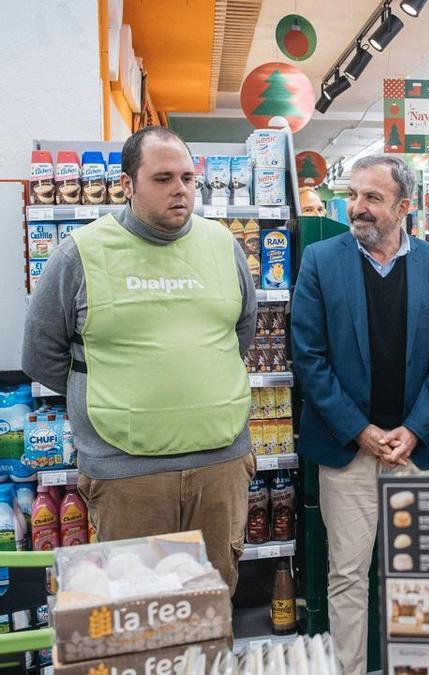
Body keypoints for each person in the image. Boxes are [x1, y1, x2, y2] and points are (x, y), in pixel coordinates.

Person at [22, 126, 257, 591]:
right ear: (127, 185)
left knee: (211, 604)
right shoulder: (80, 254)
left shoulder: (223, 245)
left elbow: (240, 333)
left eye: (188, 178)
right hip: (128, 472)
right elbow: (41, 354)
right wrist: (114, 389)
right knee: (141, 614)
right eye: (163, 178)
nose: (180, 190)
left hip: (220, 462)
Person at [291, 154, 429, 674]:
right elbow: (309, 358)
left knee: (416, 576)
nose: (357, 208)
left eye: (373, 198)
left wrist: (413, 429)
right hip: (348, 451)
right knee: (347, 574)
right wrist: (361, 431)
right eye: (353, 195)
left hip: (413, 449)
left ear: (404, 206)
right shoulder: (321, 260)